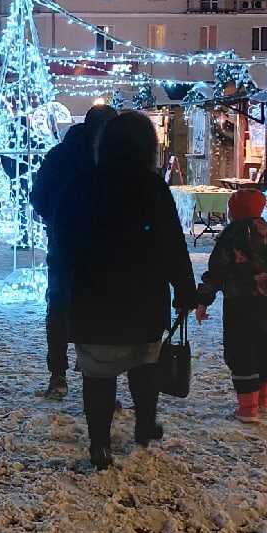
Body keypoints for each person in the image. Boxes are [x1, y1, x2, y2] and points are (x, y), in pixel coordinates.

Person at [52, 111, 199, 470]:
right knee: (144, 363)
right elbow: (171, 243)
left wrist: (62, 286)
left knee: (98, 373)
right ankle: (144, 425)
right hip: (143, 294)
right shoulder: (152, 187)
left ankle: (99, 444)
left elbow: (62, 240)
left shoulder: (82, 184)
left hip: (93, 293)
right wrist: (184, 287)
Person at [29, 104, 117, 401]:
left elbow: (38, 197)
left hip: (64, 243)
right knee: (97, 309)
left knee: (60, 306)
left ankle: (59, 374)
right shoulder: (107, 158)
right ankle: (96, 377)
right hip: (100, 248)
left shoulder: (60, 155)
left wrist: (54, 219)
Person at [193, 189, 267, 421]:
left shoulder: (229, 241)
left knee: (240, 349)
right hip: (265, 302)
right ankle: (264, 400)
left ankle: (247, 407)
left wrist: (203, 302)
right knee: (262, 344)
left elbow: (215, 273)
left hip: (238, 302)